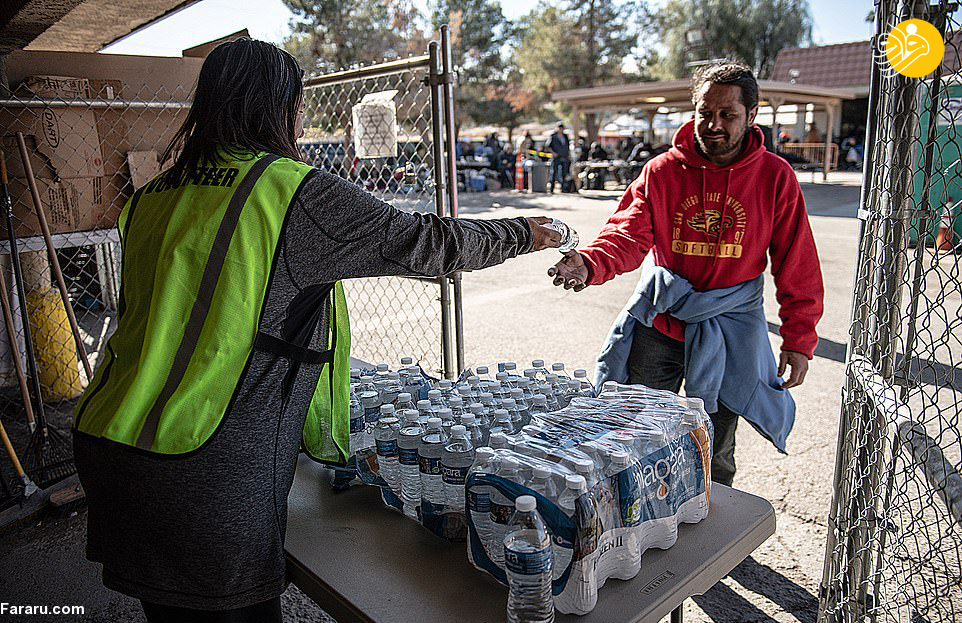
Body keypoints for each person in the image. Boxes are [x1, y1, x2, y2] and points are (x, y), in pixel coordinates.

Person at [72, 38, 561, 623]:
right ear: (282, 110)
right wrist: (525, 233)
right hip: (205, 466)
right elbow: (430, 244)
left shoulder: (152, 195)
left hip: (112, 443)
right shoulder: (290, 192)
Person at [547, 62, 823, 486]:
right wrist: (590, 262)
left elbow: (796, 262)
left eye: (727, 115)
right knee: (634, 432)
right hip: (661, 322)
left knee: (715, 443)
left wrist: (799, 339)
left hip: (730, 329)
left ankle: (716, 534)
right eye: (704, 113)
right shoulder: (661, 171)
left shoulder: (774, 177)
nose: (713, 125)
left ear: (752, 117)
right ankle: (636, 516)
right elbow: (627, 234)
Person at [547, 122, 571, 193]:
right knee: (554, 173)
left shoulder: (565, 136)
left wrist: (568, 154)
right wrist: (553, 153)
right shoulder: (553, 136)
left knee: (563, 173)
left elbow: (567, 146)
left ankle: (563, 189)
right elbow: (548, 146)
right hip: (556, 157)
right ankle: (551, 189)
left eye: (562, 128)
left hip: (564, 156)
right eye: (560, 128)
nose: (561, 129)